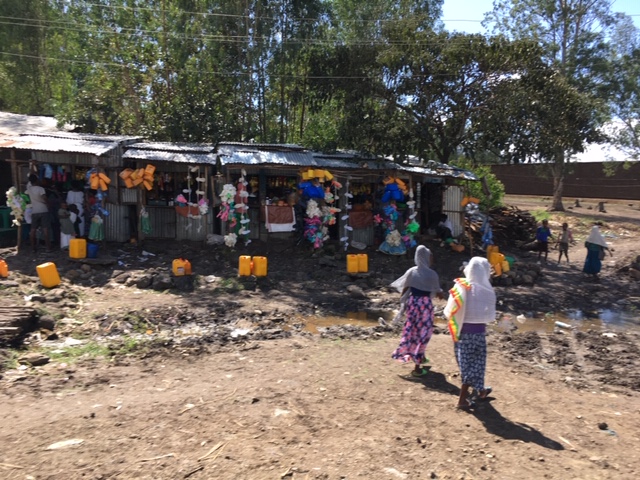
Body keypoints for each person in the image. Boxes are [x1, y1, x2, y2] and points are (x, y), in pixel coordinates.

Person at [444, 257, 496, 411]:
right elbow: (489, 316)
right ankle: (462, 400)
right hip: (478, 334)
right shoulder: (487, 291)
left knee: (468, 364)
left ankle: (481, 390)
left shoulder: (461, 287)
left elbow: (449, 311)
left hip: (461, 333)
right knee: (476, 364)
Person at [390, 245, 443, 377]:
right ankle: (417, 367)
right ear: (426, 257)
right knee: (423, 333)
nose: (431, 258)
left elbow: (405, 289)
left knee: (412, 331)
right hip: (425, 306)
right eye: (430, 256)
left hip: (413, 304)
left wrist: (403, 304)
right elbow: (439, 293)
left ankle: (419, 357)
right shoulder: (432, 274)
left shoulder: (412, 272)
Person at [26, 174, 52, 253]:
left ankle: (33, 248)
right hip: (43, 210)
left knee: (33, 230)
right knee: (45, 229)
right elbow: (44, 198)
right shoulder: (41, 189)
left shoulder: (29, 189)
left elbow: (29, 181)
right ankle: (48, 247)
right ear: (37, 180)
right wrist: (48, 204)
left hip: (35, 211)